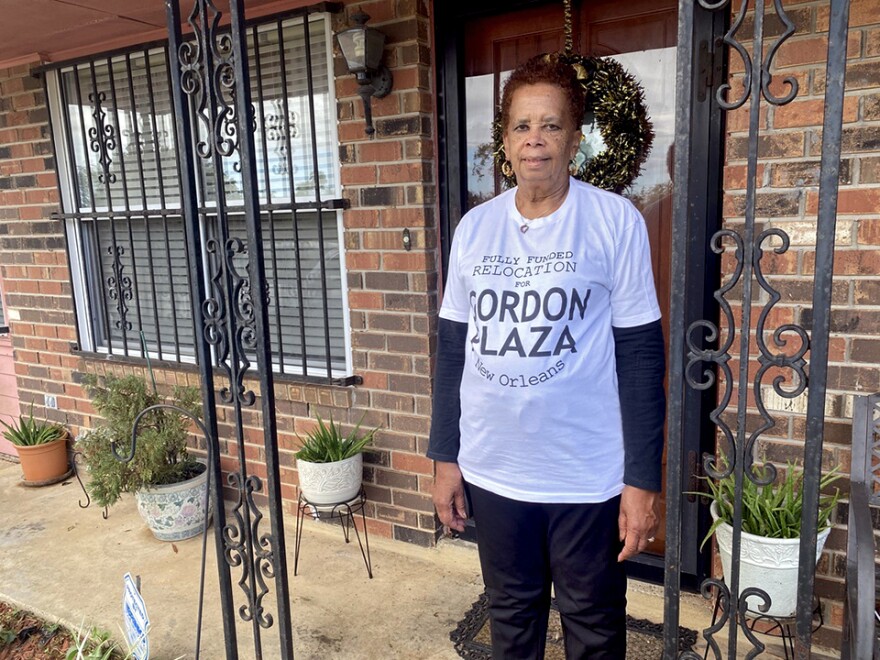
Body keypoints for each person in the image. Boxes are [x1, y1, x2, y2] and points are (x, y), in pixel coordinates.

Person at [427, 54, 666, 659]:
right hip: (494, 467)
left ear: (575, 140)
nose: (535, 140)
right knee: (510, 616)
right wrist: (444, 459)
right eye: (522, 126)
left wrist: (641, 478)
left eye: (551, 126)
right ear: (504, 140)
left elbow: (640, 355)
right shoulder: (475, 230)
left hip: (584, 472)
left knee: (593, 623)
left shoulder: (614, 222)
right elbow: (453, 349)